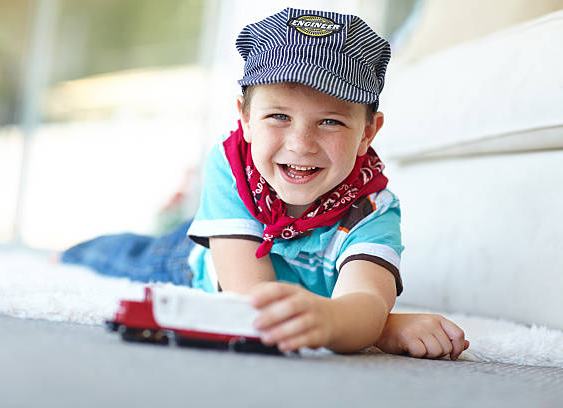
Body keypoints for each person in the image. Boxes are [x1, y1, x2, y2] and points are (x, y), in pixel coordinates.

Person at [62, 8, 469, 359]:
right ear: (245, 118)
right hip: (191, 263)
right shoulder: (231, 166)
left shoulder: (372, 209)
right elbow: (247, 303)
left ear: (368, 132)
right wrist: (380, 328)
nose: (301, 144)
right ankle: (69, 251)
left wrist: (351, 317)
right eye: (279, 117)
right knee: (119, 255)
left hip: (282, 283)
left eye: (330, 121)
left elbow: (364, 299)